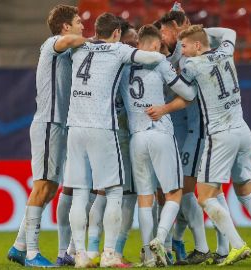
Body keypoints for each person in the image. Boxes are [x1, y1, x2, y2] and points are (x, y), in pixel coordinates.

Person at [154, 24, 251, 266]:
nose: (181, 50)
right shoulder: (225, 52)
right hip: (242, 130)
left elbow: (186, 94)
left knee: (204, 196)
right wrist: (201, 30)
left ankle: (237, 246)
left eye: (184, 46)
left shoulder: (191, 65)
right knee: (247, 194)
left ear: (197, 45)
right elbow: (230, 33)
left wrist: (163, 103)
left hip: (220, 135)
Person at [64, 12, 165, 268]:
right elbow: (150, 57)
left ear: (96, 30)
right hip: (102, 128)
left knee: (80, 193)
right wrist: (159, 52)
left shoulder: (80, 46)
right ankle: (110, 253)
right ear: (117, 33)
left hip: (75, 127)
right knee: (115, 191)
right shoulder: (119, 50)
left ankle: (80, 255)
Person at [6, 4, 88, 267]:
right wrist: (103, 43)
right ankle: (31, 253)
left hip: (58, 125)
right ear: (65, 27)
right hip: (48, 123)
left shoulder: (64, 49)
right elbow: (71, 40)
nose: (82, 25)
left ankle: (19, 246)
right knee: (41, 186)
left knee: (50, 187)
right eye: (78, 21)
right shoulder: (53, 43)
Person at [119, 24, 194, 267]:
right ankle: (160, 240)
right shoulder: (160, 62)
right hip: (160, 131)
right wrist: (164, 107)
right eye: (160, 46)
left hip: (136, 137)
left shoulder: (123, 65)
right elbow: (188, 94)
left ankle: (150, 258)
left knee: (145, 197)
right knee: (174, 193)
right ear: (153, 45)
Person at [86, 18, 138, 266]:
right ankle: (113, 252)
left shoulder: (95, 59)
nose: (134, 46)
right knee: (124, 194)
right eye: (131, 41)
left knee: (100, 193)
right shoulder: (126, 61)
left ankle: (92, 249)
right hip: (121, 134)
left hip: (99, 130)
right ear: (119, 37)